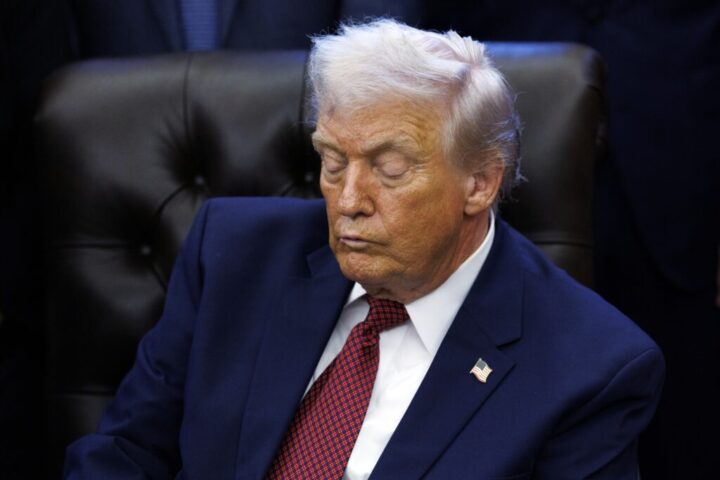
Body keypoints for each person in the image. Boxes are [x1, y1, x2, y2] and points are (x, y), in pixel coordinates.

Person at [64, 19, 664, 479]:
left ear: (480, 183)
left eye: (390, 169)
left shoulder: (593, 370)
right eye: (331, 163)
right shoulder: (232, 256)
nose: (348, 200)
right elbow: (124, 453)